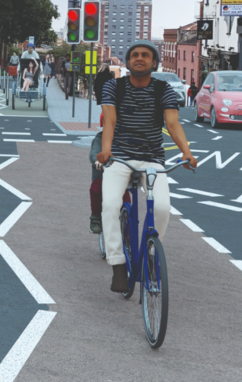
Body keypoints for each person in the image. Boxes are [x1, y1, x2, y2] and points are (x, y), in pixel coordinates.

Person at [95, 40, 196, 293]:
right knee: (109, 205)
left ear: (154, 63)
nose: (140, 58)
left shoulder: (163, 89)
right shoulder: (113, 87)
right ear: (128, 63)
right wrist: (106, 151)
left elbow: (173, 124)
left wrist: (187, 153)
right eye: (135, 55)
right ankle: (118, 264)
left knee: (162, 207)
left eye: (146, 55)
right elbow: (110, 121)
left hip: (152, 157)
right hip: (119, 156)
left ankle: (151, 257)